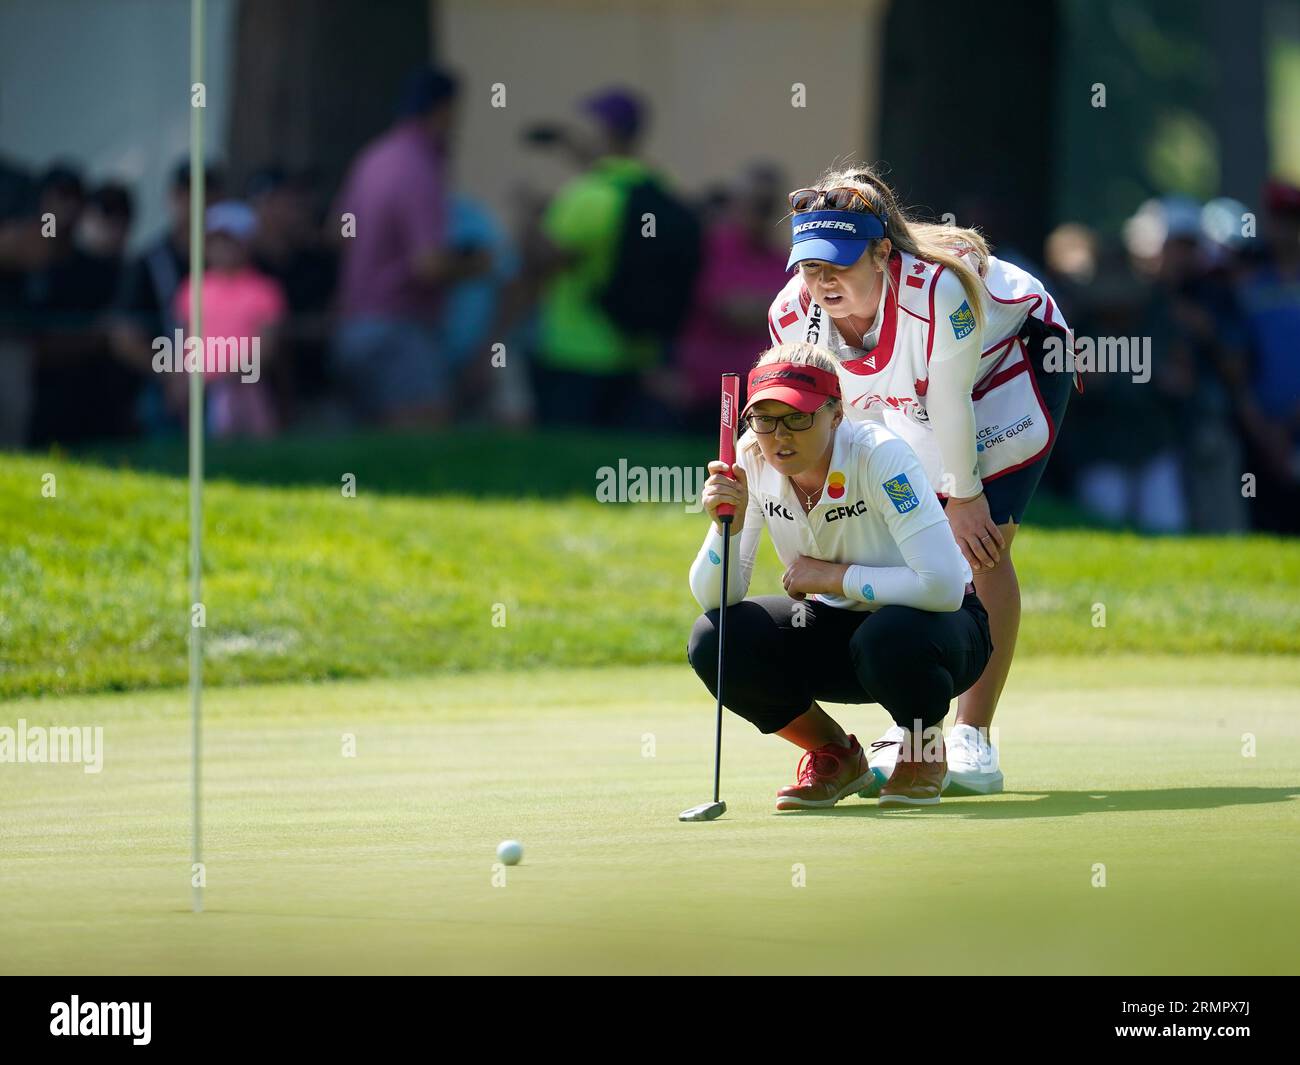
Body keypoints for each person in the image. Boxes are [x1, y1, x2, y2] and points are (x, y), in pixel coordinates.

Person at [767, 165, 1077, 794]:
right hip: (920, 393)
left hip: (1011, 364)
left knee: (978, 545)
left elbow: (951, 400)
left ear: (882, 253)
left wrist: (963, 497)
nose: (821, 281)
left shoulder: (939, 292)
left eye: (839, 263)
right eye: (809, 264)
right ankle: (914, 726)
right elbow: (834, 421)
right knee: (897, 525)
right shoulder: (792, 315)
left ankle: (972, 738)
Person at [687, 343, 992, 810]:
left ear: (835, 413)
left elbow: (944, 586)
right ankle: (835, 755)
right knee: (716, 637)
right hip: (835, 631)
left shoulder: (880, 456)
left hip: (938, 632)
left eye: (797, 417)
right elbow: (715, 597)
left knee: (887, 636)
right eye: (764, 419)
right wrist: (722, 525)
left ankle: (923, 749)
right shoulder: (750, 459)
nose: (779, 436)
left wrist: (834, 577)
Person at [332, 66, 486, 428]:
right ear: (444, 109)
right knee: (422, 432)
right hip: (398, 330)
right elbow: (428, 265)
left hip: (354, 325)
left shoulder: (373, 157)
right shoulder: (420, 167)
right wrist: (479, 264)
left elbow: (338, 234)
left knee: (378, 450)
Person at [173, 202, 286, 437]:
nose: (222, 249)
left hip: (249, 386)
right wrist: (182, 380)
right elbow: (183, 341)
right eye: (216, 241)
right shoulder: (191, 289)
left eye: (231, 241)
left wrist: (228, 376)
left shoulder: (264, 290)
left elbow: (267, 347)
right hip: (203, 390)